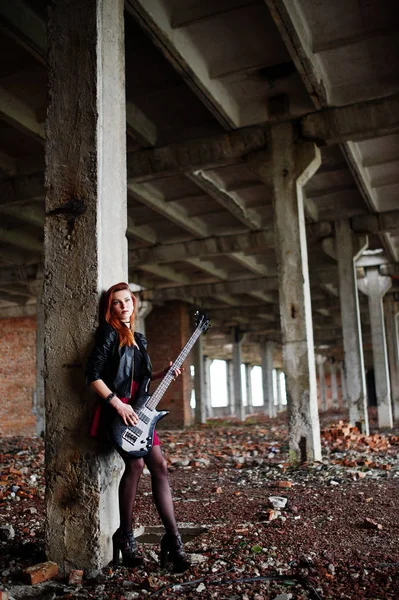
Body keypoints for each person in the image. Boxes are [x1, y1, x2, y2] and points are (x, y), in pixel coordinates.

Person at [86, 282, 189, 572]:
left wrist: (163, 373)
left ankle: (173, 539)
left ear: (133, 302)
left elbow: (141, 378)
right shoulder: (108, 333)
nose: (123, 306)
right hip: (119, 411)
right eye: (116, 303)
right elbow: (92, 376)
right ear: (111, 308)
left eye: (127, 301)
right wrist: (117, 404)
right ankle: (126, 536)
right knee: (135, 466)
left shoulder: (139, 339)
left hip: (142, 410)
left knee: (160, 467)